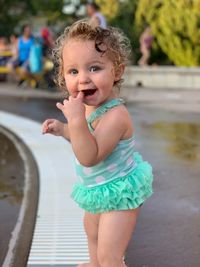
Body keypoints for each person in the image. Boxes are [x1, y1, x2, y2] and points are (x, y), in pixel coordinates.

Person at [42, 20, 153, 267]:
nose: (83, 79)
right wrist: (64, 129)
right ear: (63, 77)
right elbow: (83, 137)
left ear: (117, 71)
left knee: (110, 255)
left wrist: (76, 120)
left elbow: (89, 155)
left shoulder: (116, 115)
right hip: (98, 189)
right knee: (91, 234)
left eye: (94, 68)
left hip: (121, 192)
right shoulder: (91, 108)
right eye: (73, 71)